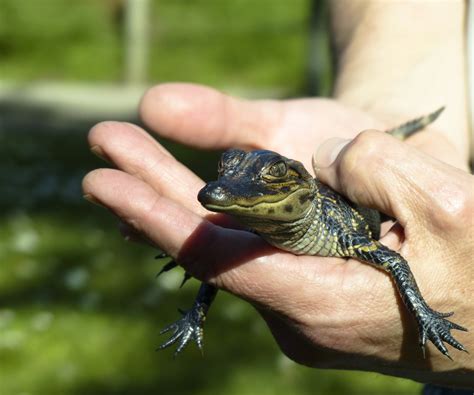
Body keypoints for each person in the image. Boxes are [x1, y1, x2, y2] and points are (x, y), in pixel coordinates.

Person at [82, 0, 473, 390]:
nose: (224, 190)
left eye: (271, 176)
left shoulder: (342, 233)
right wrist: (384, 105)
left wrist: (427, 318)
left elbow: (395, 262)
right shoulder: (252, 224)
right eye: (229, 171)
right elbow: (215, 269)